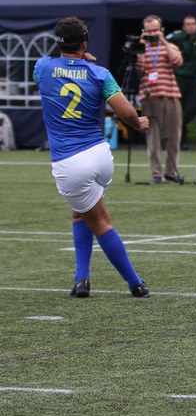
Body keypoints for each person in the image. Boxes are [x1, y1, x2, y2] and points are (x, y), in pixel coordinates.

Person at [34, 17, 151, 298]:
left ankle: (136, 284)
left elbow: (57, 68)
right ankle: (81, 279)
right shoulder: (99, 73)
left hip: (70, 162)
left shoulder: (42, 68)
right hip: (100, 156)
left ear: (57, 43)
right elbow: (124, 111)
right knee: (81, 213)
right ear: (85, 42)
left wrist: (75, 59)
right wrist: (138, 124)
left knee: (100, 222)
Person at [136, 15, 184, 184]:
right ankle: (156, 173)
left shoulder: (170, 46)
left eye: (155, 30)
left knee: (173, 135)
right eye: (149, 31)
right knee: (153, 137)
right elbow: (139, 69)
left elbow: (177, 61)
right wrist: (141, 46)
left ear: (161, 30)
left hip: (170, 95)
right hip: (149, 97)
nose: (152, 34)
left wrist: (163, 41)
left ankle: (171, 172)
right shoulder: (140, 48)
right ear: (143, 32)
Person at [166, 15, 196, 148]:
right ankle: (179, 142)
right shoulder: (177, 38)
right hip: (179, 78)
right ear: (183, 26)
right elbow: (163, 42)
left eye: (193, 24)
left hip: (193, 78)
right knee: (177, 108)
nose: (191, 26)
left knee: (194, 107)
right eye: (188, 24)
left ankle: (177, 128)